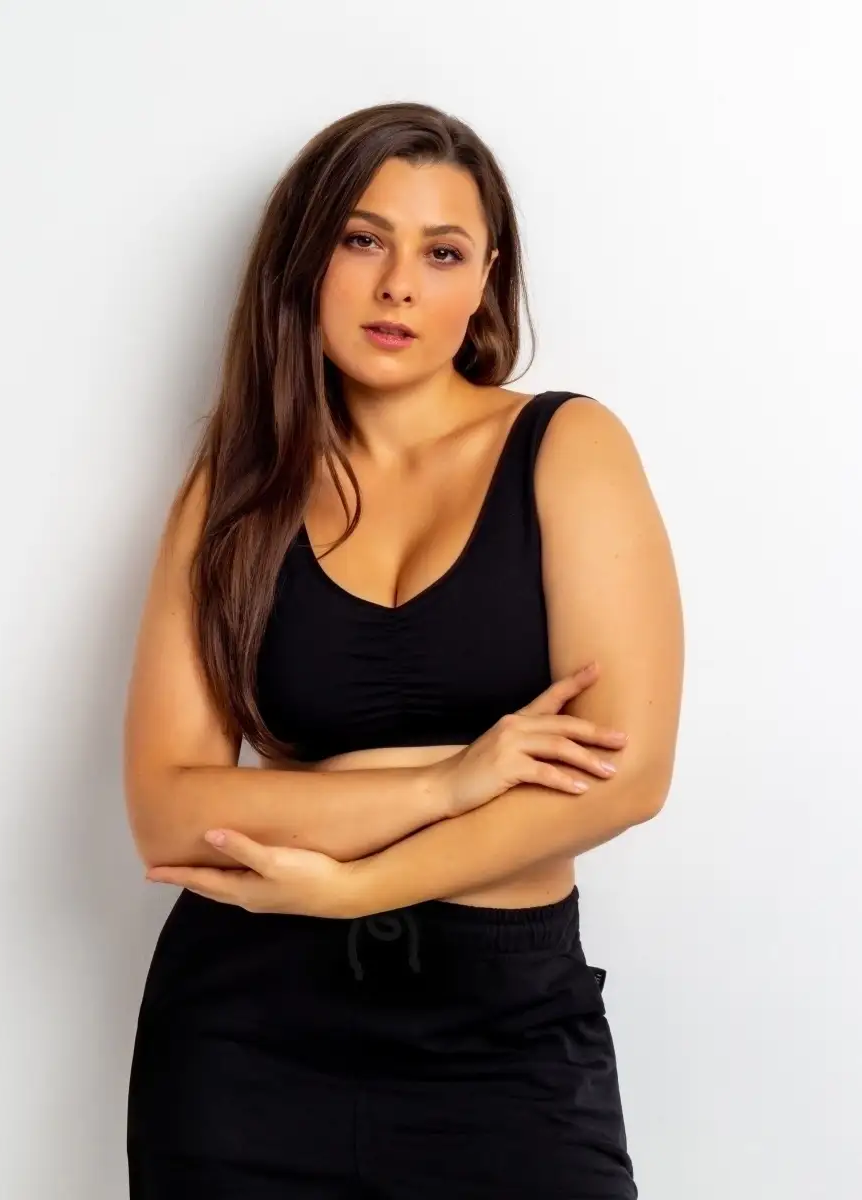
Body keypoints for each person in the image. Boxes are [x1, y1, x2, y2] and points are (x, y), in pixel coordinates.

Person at [123, 100, 684, 1199]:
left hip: (504, 1030)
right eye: (362, 239)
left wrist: (353, 885)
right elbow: (169, 810)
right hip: (246, 1030)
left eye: (442, 252)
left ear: (486, 281)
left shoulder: (566, 446)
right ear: (306, 259)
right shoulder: (235, 492)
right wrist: (452, 780)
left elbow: (625, 777)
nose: (398, 287)